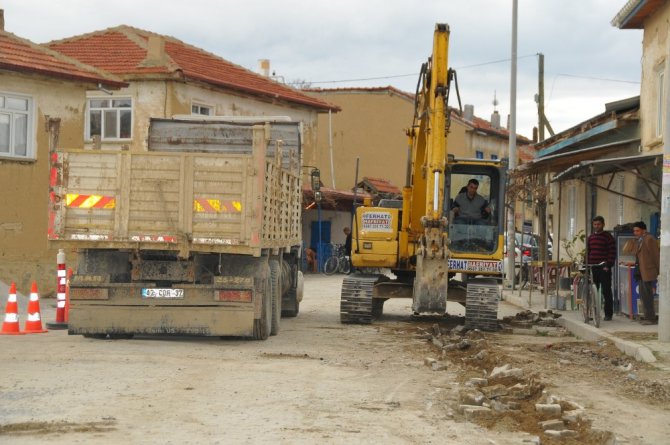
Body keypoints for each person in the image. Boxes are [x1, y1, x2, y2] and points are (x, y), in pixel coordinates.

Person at [586, 216, 616, 321]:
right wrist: (585, 263)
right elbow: (588, 252)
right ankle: (589, 313)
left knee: (606, 291)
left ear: (603, 224)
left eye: (598, 224)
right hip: (592, 267)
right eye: (595, 224)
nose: (596, 226)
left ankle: (608, 314)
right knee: (591, 291)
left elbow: (612, 252)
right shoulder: (590, 238)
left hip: (604, 268)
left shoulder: (608, 237)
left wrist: (608, 265)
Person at [633, 221, 659, 325]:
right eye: (634, 231)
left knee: (648, 295)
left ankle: (651, 318)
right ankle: (647, 315)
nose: (635, 232)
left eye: (637, 230)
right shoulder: (639, 240)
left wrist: (658, 270)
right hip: (640, 271)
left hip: (648, 271)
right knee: (643, 295)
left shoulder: (649, 239)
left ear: (644, 230)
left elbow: (656, 255)